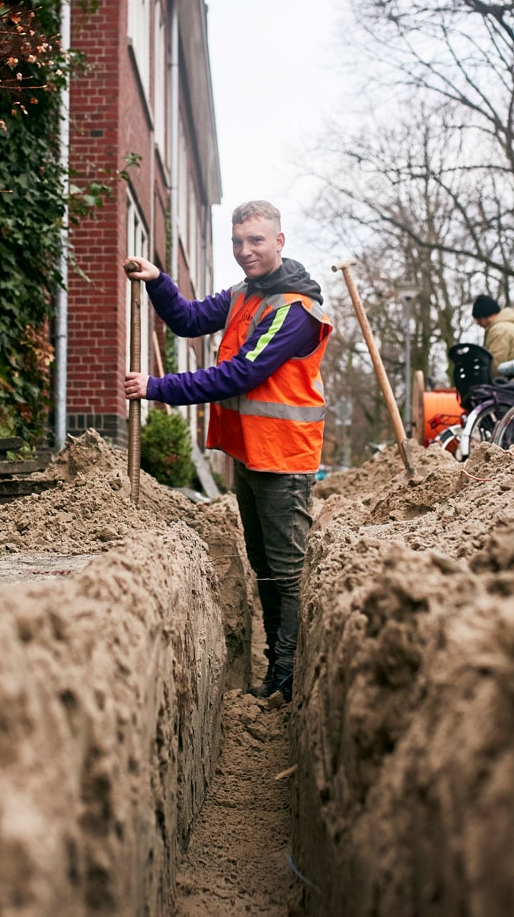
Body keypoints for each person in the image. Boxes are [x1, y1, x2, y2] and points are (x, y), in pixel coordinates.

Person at [123, 201, 333, 704]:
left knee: (286, 571)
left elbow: (239, 373)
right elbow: (190, 320)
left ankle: (286, 680)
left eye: (255, 241)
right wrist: (158, 280)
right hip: (250, 453)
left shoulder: (294, 312)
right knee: (262, 563)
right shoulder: (246, 293)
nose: (244, 251)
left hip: (283, 460)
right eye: (238, 242)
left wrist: (158, 386)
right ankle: (275, 672)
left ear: (279, 242)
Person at [472, 294, 514, 371]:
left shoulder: (499, 330)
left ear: (485, 316)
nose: (478, 323)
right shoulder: (507, 326)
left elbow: (496, 365)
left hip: (513, 381)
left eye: (478, 319)